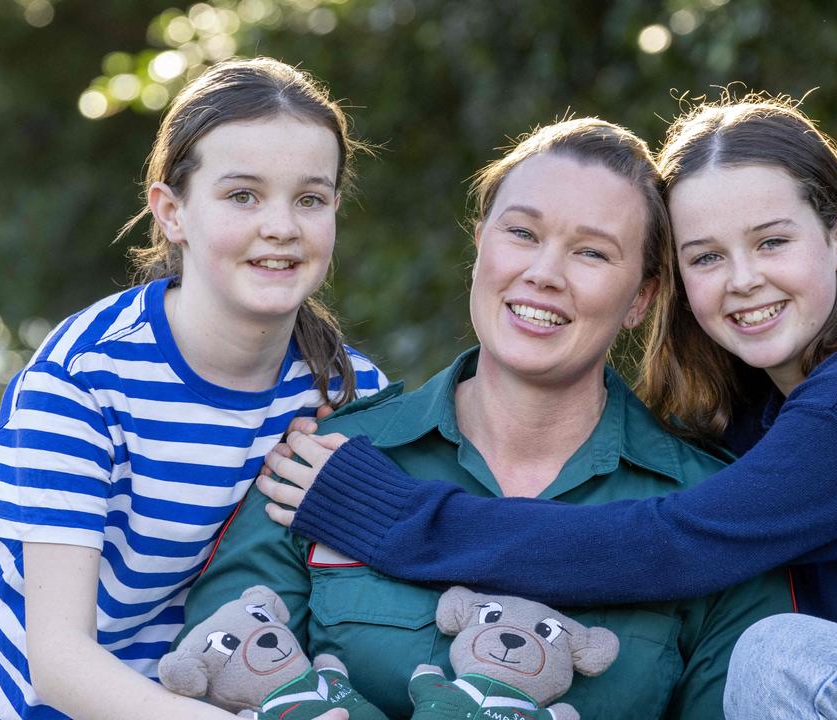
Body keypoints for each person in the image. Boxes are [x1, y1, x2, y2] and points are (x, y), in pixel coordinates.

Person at [259, 98, 837, 720]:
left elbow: (668, 543)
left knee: (777, 658)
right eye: (706, 256)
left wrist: (391, 515)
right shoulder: (761, 426)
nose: (742, 282)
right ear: (671, 287)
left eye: (771, 241)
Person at [183, 118, 793, 719]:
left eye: (591, 252)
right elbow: (218, 674)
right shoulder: (326, 463)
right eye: (523, 233)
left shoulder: (710, 510)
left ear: (641, 297)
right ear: (480, 245)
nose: (544, 274)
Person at [0, 58, 386, 720]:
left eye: (310, 198)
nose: (282, 226)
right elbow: (59, 664)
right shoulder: (83, 379)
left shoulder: (352, 394)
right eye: (242, 195)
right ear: (173, 211)